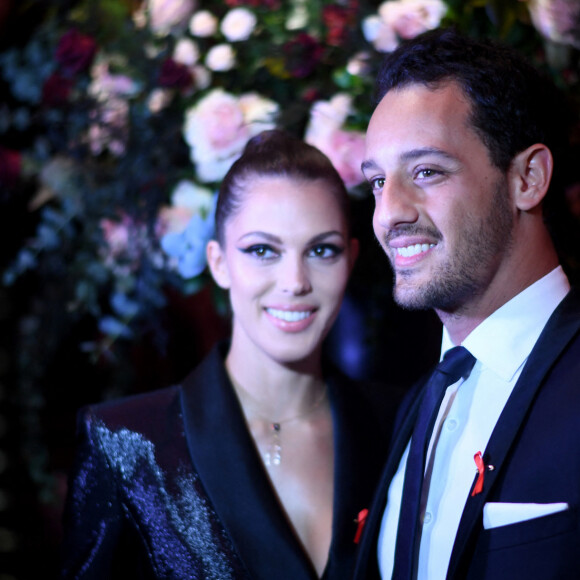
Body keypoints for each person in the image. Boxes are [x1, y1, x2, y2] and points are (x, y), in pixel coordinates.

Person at [61, 130, 400, 579]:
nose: (294, 281)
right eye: (263, 250)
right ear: (219, 263)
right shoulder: (124, 443)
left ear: (351, 260)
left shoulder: (402, 424)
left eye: (322, 250)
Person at [353, 27, 580, 580]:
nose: (389, 213)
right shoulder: (419, 402)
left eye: (426, 171)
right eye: (379, 182)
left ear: (528, 178)